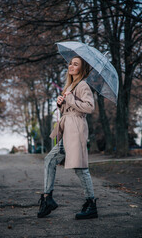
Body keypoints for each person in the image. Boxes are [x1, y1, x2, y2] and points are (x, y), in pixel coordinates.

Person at [37, 56, 98, 219]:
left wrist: (69, 98)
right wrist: (60, 103)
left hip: (76, 129)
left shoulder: (83, 85)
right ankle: (47, 198)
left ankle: (91, 204)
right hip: (68, 128)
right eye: (71, 63)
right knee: (50, 160)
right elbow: (70, 107)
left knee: (80, 168)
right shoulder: (71, 85)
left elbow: (89, 107)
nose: (71, 66)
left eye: (76, 64)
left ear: (82, 69)